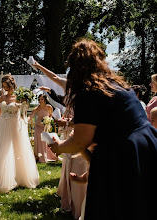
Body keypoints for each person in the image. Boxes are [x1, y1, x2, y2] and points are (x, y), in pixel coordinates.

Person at [49, 39, 157, 219]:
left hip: (126, 155)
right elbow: (100, 138)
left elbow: (80, 141)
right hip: (146, 147)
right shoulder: (118, 85)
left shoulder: (89, 91)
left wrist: (59, 147)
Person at [0, 74, 40, 193]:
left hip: (15, 125)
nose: (5, 88)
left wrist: (24, 105)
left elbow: (22, 114)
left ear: (12, 85)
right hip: (2, 126)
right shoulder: (1, 98)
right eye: (3, 86)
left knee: (17, 150)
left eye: (6, 86)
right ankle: (4, 180)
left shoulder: (19, 97)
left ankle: (21, 178)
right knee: (4, 150)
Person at [28, 94, 58, 162]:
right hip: (38, 127)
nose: (40, 101)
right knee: (36, 140)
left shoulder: (49, 107)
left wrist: (48, 121)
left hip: (45, 127)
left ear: (45, 100)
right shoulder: (37, 108)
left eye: (41, 99)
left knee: (43, 141)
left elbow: (51, 116)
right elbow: (31, 116)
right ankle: (37, 157)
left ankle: (44, 157)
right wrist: (25, 120)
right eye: (39, 99)